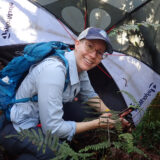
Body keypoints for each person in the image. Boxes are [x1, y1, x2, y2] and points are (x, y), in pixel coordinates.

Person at [0, 27, 129, 160]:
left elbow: (89, 95)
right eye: (90, 46)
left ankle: (38, 150)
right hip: (16, 128)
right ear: (77, 44)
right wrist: (97, 123)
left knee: (80, 112)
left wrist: (113, 115)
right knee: (62, 154)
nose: (92, 55)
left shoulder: (78, 66)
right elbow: (52, 128)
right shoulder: (54, 71)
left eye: (99, 52)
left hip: (40, 117)